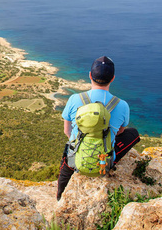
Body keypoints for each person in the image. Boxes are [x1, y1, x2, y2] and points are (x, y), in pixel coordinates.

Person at [57, 56, 140, 201]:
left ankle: (60, 197)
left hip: (76, 158)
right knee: (133, 133)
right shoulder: (122, 105)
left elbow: (67, 131)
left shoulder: (74, 99)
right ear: (113, 78)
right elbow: (120, 132)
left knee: (66, 165)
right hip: (104, 160)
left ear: (90, 75)